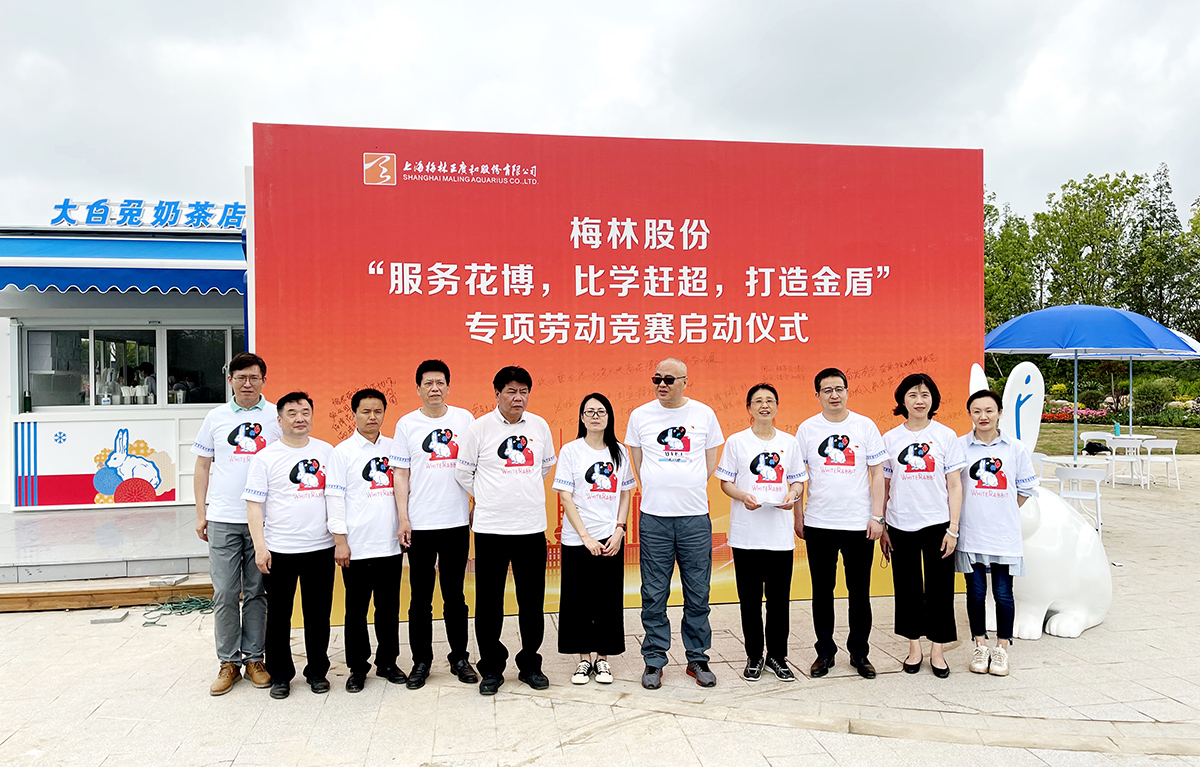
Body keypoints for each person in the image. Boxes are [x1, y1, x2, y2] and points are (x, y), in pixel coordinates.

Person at [456, 366, 557, 695]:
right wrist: (489, 497)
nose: (518, 397)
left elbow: (544, 466)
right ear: (497, 393)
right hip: (491, 530)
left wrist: (520, 492)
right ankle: (491, 668)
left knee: (532, 601)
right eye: (511, 391)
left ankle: (530, 664)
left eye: (524, 391)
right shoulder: (479, 428)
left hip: (531, 528)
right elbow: (463, 473)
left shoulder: (539, 425)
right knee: (489, 603)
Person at [626, 357, 725, 689]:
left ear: (685, 381)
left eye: (669, 379)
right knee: (654, 593)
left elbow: (710, 462)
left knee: (698, 592)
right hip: (655, 518)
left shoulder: (704, 414)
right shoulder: (640, 415)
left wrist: (686, 485)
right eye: (657, 379)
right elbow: (638, 462)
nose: (662, 385)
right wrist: (661, 487)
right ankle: (654, 659)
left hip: (693, 518)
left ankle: (697, 657)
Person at [191, 352, 281, 696]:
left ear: (263, 380)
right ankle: (228, 662)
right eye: (240, 377)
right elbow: (202, 466)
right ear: (230, 380)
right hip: (223, 517)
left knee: (257, 592)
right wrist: (201, 512)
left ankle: (255, 659)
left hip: (265, 521)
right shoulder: (216, 417)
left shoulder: (276, 416)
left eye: (254, 377)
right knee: (226, 592)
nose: (247, 383)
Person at [391, 360, 479, 689]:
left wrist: (476, 504)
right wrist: (403, 518)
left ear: (448, 387)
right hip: (420, 524)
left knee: (455, 595)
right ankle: (421, 661)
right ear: (418, 389)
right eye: (428, 383)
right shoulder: (406, 424)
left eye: (440, 382)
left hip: (455, 522)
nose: (434, 388)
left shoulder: (464, 419)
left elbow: (477, 466)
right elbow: (401, 474)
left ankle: (460, 658)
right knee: (420, 598)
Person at [795, 367, 886, 680]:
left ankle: (860, 653)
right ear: (817, 395)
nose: (834, 395)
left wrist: (877, 516)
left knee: (859, 592)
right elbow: (798, 477)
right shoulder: (807, 429)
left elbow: (877, 473)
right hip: (819, 522)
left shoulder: (865, 426)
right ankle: (825, 652)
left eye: (839, 389)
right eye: (827, 390)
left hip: (859, 523)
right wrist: (798, 516)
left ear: (847, 392)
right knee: (822, 592)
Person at [243, 392, 335, 700]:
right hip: (279, 549)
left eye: (305, 412)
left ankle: (317, 671)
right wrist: (260, 547)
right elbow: (254, 506)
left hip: (320, 547)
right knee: (279, 617)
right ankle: (280, 675)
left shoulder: (326, 451)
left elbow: (337, 497)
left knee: (318, 615)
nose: (300, 418)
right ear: (280, 420)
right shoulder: (265, 457)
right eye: (292, 413)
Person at [716, 383, 807, 682]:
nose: (764, 405)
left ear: (777, 406)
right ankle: (754, 655)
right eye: (758, 401)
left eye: (769, 400)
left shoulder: (789, 442)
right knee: (750, 601)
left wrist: (792, 495)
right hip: (747, 535)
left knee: (779, 602)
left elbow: (797, 481)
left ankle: (777, 657)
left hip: (779, 535)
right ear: (749, 408)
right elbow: (725, 483)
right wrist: (743, 496)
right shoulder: (736, 442)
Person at [880, 373, 966, 678]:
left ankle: (938, 650)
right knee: (907, 588)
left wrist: (953, 528)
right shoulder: (890, 439)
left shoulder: (945, 436)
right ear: (902, 400)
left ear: (933, 400)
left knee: (940, 588)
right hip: (899, 523)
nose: (919, 400)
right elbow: (884, 485)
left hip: (937, 524)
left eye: (925, 395)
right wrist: (882, 524)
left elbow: (954, 485)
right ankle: (914, 647)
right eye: (913, 395)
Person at [326, 388, 407, 693]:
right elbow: (334, 498)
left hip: (390, 544)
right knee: (356, 611)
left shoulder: (395, 448)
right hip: (356, 546)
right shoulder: (342, 452)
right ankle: (357, 667)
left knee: (388, 608)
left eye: (378, 411)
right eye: (365, 411)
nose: (372, 417)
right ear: (354, 414)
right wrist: (340, 540)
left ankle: (387, 662)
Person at [553, 392, 635, 685]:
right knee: (577, 600)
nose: (596, 416)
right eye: (590, 411)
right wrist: (585, 536)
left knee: (607, 599)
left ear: (609, 417)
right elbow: (566, 496)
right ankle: (583, 660)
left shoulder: (620, 452)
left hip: (610, 538)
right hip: (578, 540)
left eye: (601, 411)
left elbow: (626, 492)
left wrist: (620, 529)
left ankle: (603, 660)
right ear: (582, 418)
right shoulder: (571, 451)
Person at [957, 389, 1038, 676]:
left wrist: (1003, 510)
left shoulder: (1015, 448)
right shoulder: (960, 446)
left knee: (1003, 594)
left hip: (1004, 535)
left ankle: (1002, 648)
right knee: (976, 593)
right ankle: (980, 645)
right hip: (970, 534)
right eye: (977, 411)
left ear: (1000, 413)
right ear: (969, 414)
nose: (983, 416)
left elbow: (1025, 489)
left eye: (989, 410)